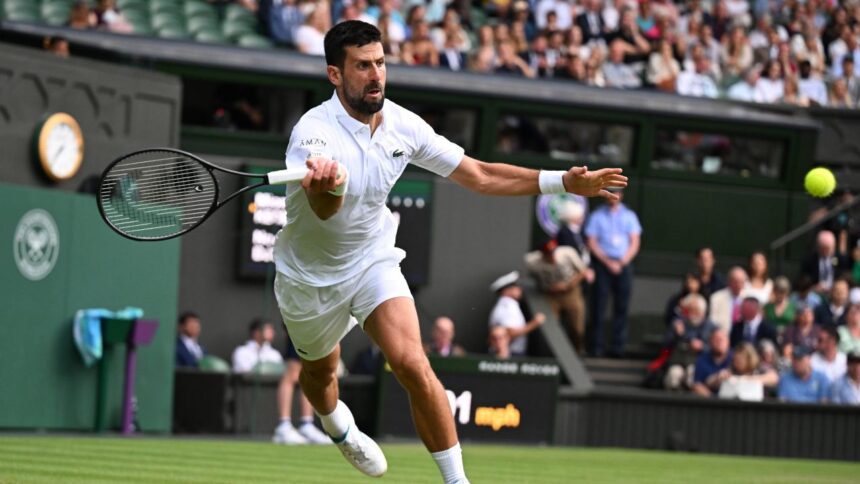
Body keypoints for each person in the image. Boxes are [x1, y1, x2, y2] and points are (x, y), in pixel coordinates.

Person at [270, 20, 626, 483]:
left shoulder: (404, 125)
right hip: (309, 278)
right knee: (319, 378)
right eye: (362, 66)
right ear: (335, 75)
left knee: (414, 365)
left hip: (372, 261)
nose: (376, 74)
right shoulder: (312, 134)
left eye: (380, 62)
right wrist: (328, 182)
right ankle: (338, 426)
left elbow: (478, 175)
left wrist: (562, 182)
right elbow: (323, 212)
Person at [586, 189, 641, 357]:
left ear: (621, 195)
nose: (613, 196)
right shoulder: (597, 216)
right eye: (610, 193)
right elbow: (591, 242)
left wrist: (623, 261)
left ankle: (618, 348)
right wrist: (608, 262)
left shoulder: (629, 216)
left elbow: (635, 241)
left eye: (616, 193)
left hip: (623, 264)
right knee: (599, 306)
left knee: (621, 307)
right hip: (603, 264)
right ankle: (596, 347)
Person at [524, 239, 591, 353]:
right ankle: (551, 354)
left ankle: (577, 352)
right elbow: (529, 278)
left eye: (553, 252)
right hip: (550, 294)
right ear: (542, 254)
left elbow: (584, 272)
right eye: (549, 254)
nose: (552, 257)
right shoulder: (532, 262)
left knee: (577, 327)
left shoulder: (567, 253)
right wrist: (547, 287)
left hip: (571, 292)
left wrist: (568, 286)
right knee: (550, 326)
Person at [273, 337, 331, 445]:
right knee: (292, 371)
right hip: (301, 322)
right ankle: (283, 426)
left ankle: (306, 424)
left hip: (316, 325)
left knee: (309, 373)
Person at [489, 271, 547, 357]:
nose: (519, 289)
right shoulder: (506, 306)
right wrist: (535, 323)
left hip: (514, 352)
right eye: (515, 286)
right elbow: (511, 333)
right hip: (508, 354)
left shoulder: (511, 304)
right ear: (506, 290)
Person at [691, 329, 732, 397]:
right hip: (708, 400)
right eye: (716, 340)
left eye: (722, 340)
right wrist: (714, 400)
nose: (719, 342)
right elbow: (697, 385)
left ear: (728, 342)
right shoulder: (702, 360)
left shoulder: (735, 358)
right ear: (710, 342)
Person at [709, 266, 748, 334]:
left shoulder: (749, 298)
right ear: (729, 281)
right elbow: (712, 321)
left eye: (741, 282)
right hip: (722, 335)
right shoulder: (716, 298)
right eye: (735, 282)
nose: (738, 285)